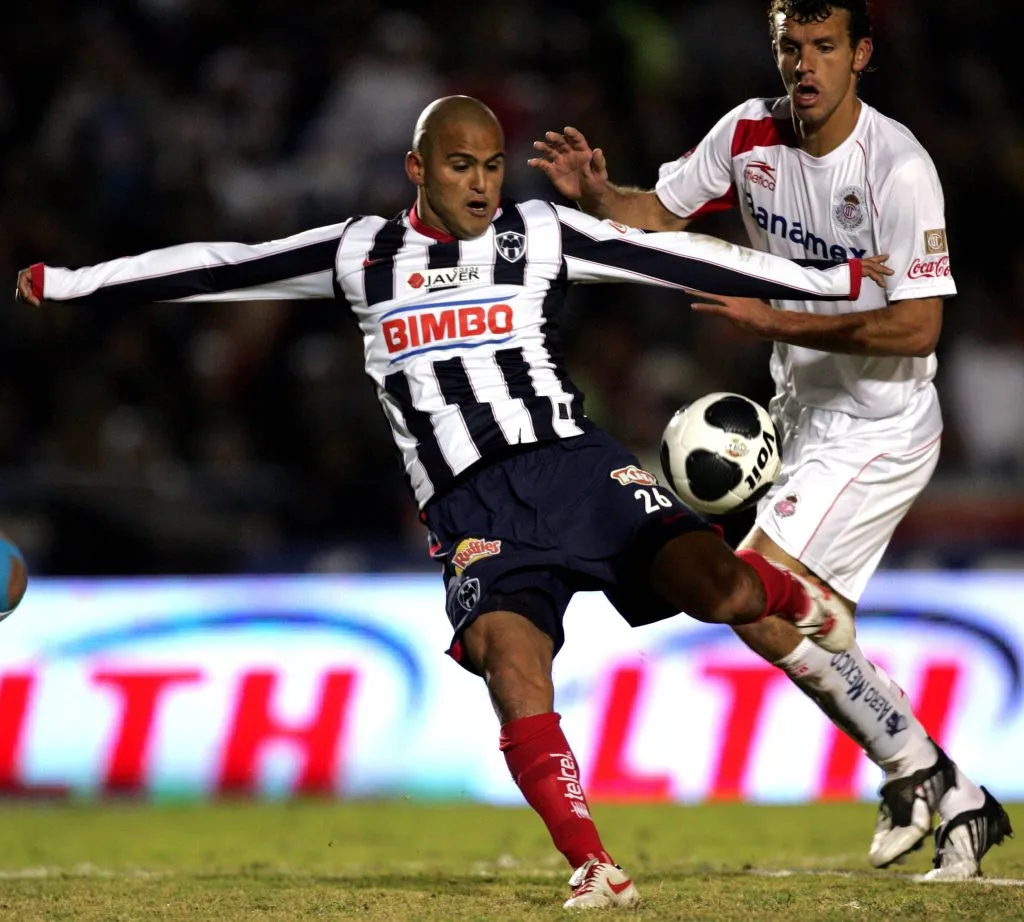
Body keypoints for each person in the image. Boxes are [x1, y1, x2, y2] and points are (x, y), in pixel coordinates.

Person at [16, 95, 887, 909]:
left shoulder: (540, 235)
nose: (481, 183)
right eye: (462, 165)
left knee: (721, 592)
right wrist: (74, 284)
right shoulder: (360, 255)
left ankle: (790, 595)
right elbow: (220, 267)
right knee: (513, 671)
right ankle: (594, 863)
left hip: (573, 470)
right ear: (417, 169)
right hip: (472, 511)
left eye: (493, 165)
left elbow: (680, 255)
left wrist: (837, 284)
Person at [529, 0, 1012, 882]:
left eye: (825, 47)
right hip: (798, 414)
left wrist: (773, 317)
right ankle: (938, 785)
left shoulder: (899, 168)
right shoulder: (747, 133)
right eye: (792, 46)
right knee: (779, 615)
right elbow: (656, 214)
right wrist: (602, 198)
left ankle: (919, 769)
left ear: (860, 54)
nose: (806, 64)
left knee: (754, 592)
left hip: (879, 425)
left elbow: (915, 330)